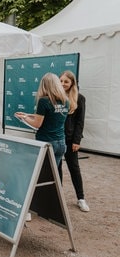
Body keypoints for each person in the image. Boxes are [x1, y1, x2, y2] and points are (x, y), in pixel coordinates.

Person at [15, 73, 69, 166]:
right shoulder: (65, 100)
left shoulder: (44, 101)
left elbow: (37, 124)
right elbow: (51, 116)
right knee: (52, 174)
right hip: (61, 142)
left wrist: (23, 118)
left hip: (47, 142)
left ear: (44, 85)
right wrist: (28, 115)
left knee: (41, 174)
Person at [59, 70, 89, 212]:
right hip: (57, 139)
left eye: (66, 81)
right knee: (56, 168)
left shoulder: (79, 98)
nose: (63, 83)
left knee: (74, 169)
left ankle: (81, 198)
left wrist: (77, 140)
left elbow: (80, 122)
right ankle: (57, 198)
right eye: (61, 81)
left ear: (72, 83)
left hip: (71, 140)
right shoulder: (56, 97)